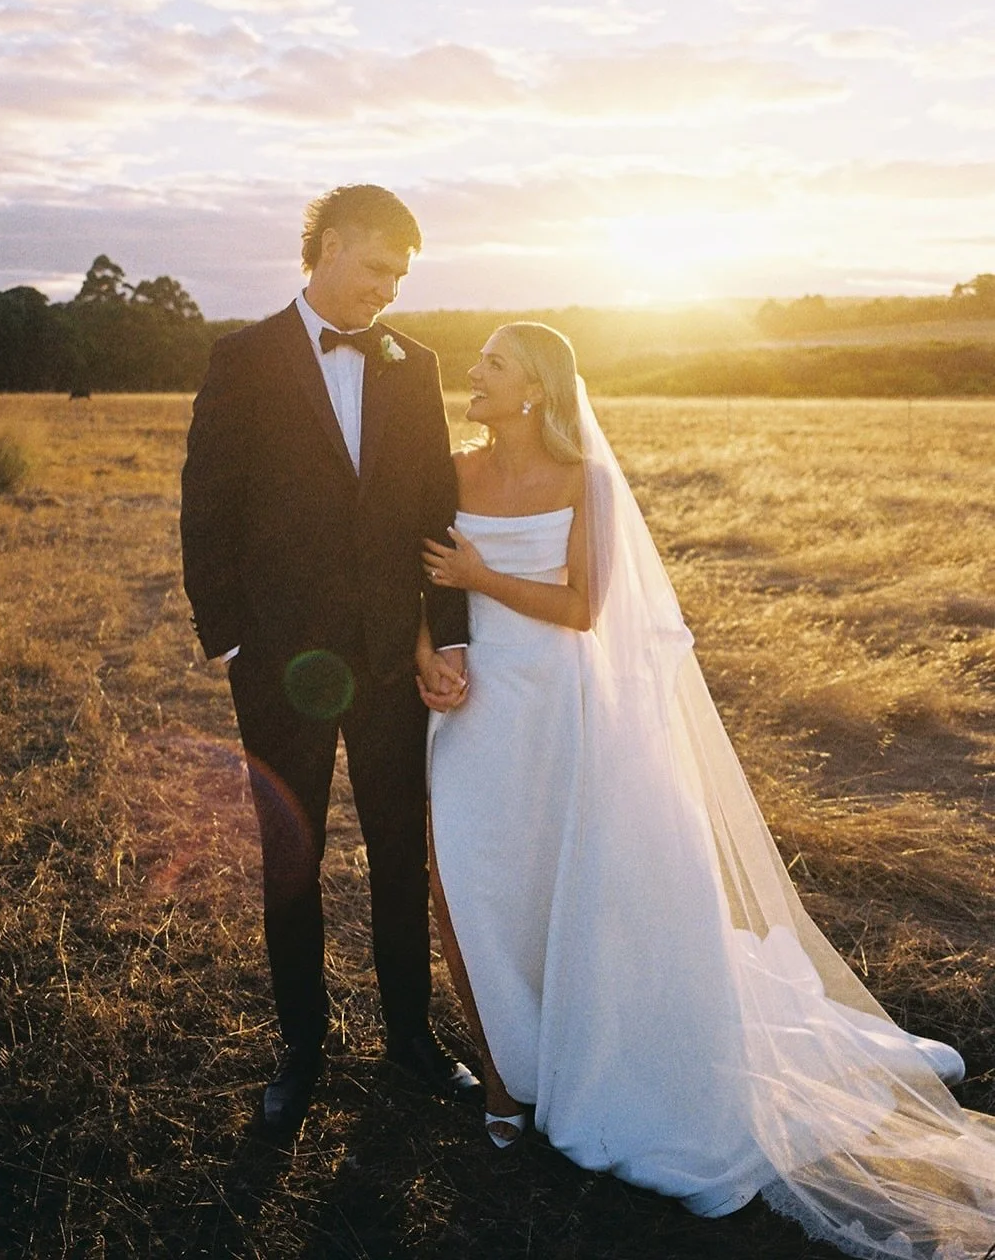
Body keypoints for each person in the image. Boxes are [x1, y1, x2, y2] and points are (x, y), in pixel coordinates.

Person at [418, 321, 995, 1258]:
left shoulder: (583, 480)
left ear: (533, 391)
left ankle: (585, 1068)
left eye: (492, 364)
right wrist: (423, 652)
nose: (472, 375)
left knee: (578, 893)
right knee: (480, 891)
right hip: (475, 708)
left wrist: (483, 575)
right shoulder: (447, 466)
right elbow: (419, 583)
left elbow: (583, 607)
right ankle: (502, 1079)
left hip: (559, 706)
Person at [181, 184, 478, 1136]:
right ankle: (301, 1046)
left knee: (399, 849)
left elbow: (435, 509)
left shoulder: (412, 363)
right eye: (378, 268)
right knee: (290, 857)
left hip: (391, 662)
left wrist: (446, 633)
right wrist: (228, 633)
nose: (388, 291)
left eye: (400, 276)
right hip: (279, 665)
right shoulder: (243, 358)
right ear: (331, 247)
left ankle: (411, 1040)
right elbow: (207, 502)